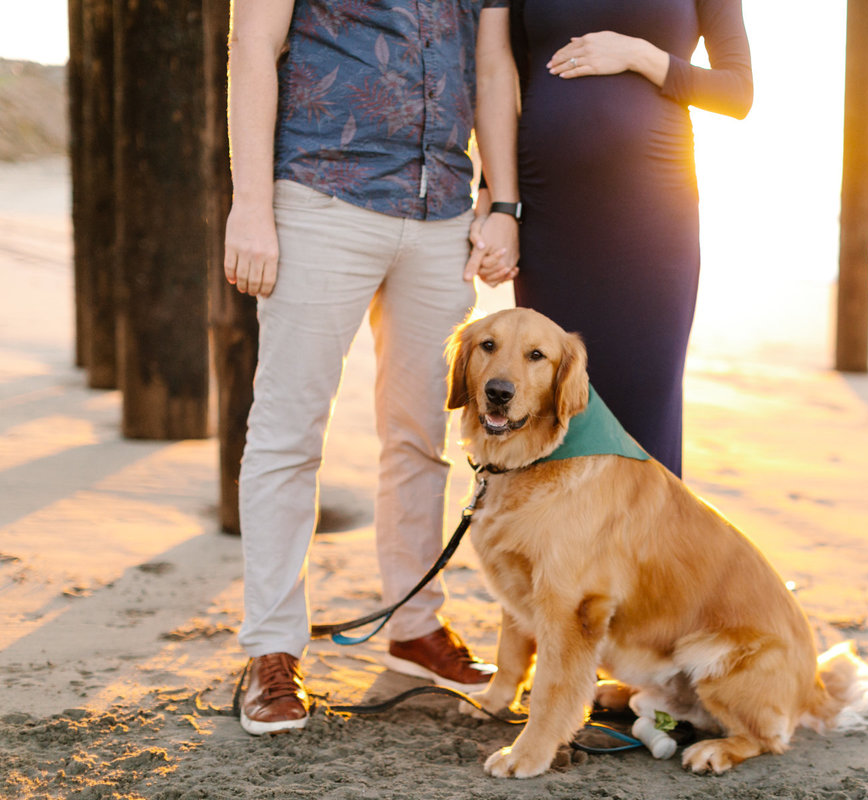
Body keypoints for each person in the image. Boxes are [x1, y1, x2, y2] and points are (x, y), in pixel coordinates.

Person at [223, 0, 520, 735]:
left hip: (443, 211)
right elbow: (254, 42)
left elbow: (490, 63)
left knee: (421, 435)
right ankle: (270, 649)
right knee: (289, 431)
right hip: (322, 195)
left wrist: (502, 201)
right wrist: (251, 204)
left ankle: (415, 628)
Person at [475, 0, 753, 478]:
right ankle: (549, 551)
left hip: (652, 220)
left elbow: (737, 91)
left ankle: (645, 550)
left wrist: (639, 54)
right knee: (545, 404)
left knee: (643, 410)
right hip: (550, 217)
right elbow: (506, 79)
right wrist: (496, 200)